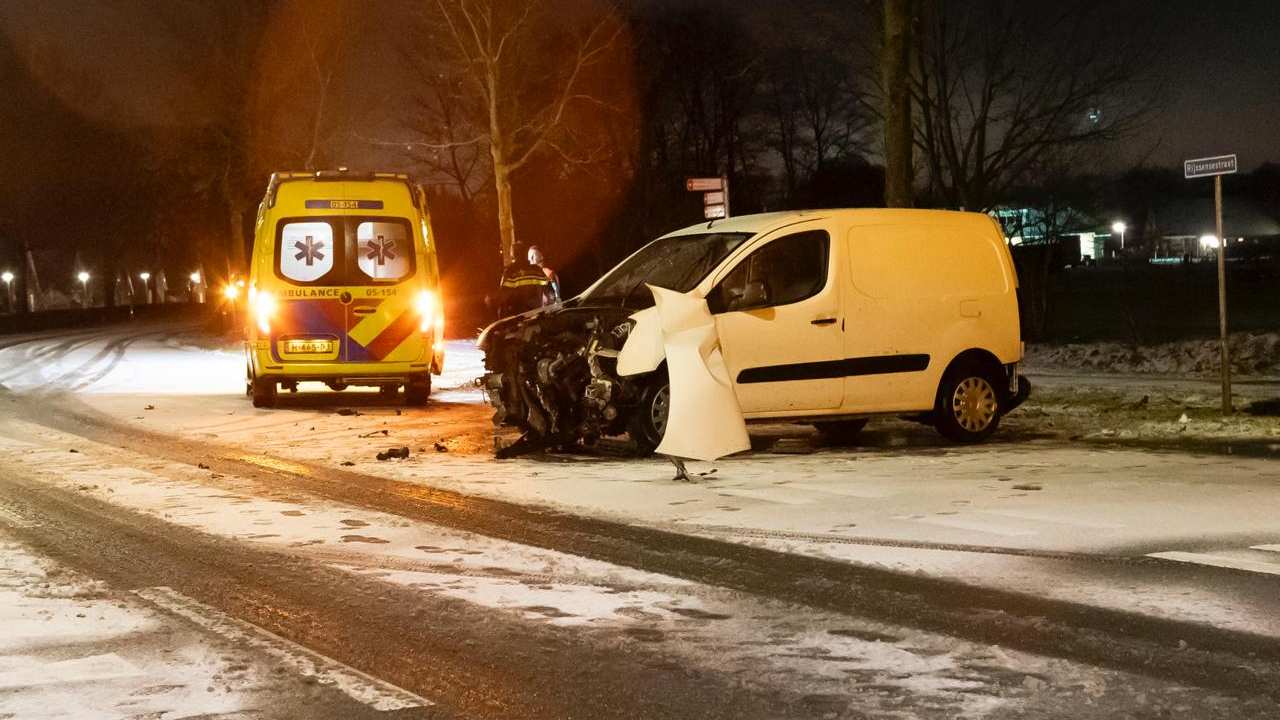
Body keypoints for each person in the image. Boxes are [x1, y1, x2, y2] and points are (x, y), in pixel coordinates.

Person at [493, 242, 552, 318]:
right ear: (525, 253)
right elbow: (549, 291)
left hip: (519, 317)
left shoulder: (510, 271)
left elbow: (503, 295)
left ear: (512, 254)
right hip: (537, 314)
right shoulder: (537, 270)